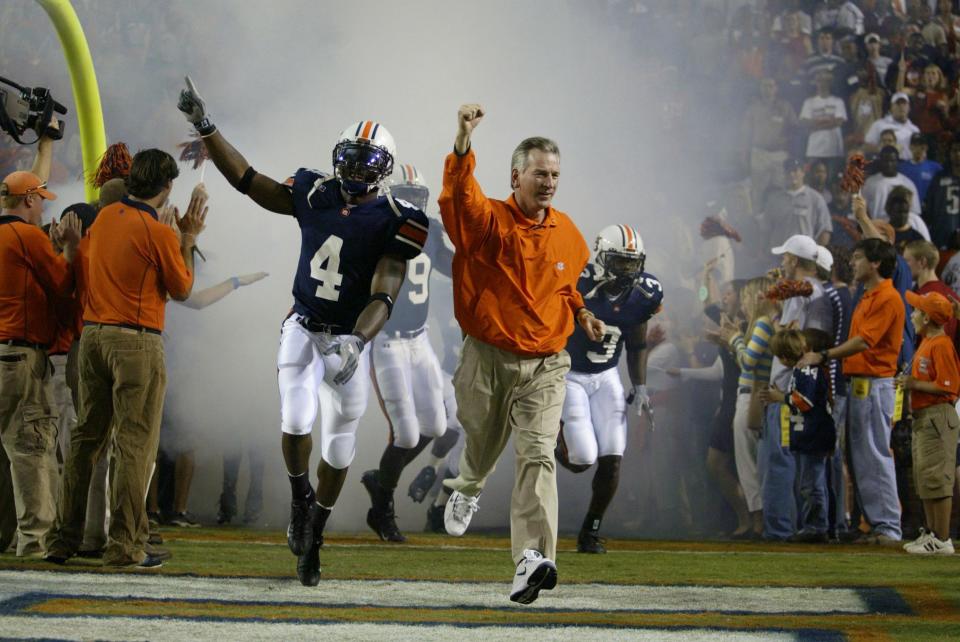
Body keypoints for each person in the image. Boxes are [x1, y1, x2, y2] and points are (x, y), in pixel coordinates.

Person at [176, 79, 428, 586]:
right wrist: (207, 126)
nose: (356, 169)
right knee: (295, 414)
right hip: (304, 324)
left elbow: (385, 291)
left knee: (338, 447)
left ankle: (316, 530)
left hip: (350, 338)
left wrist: (358, 340)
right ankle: (298, 499)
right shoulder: (314, 191)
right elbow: (249, 180)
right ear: (337, 156)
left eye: (368, 161)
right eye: (351, 157)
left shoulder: (395, 218)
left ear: (384, 170)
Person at [438, 104, 603, 604]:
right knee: (482, 444)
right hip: (487, 356)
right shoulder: (487, 221)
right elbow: (459, 199)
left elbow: (565, 285)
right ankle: (467, 485)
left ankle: (531, 558)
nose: (549, 181)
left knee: (537, 454)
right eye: (540, 172)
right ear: (516, 175)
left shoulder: (568, 232)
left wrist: (584, 313)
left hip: (546, 365)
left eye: (554, 174)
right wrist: (463, 142)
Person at [45, 149, 206, 568]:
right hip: (136, 341)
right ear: (167, 187)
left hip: (92, 338)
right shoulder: (155, 231)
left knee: (84, 442)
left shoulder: (101, 222)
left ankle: (63, 539)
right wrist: (186, 240)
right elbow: (183, 288)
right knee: (135, 445)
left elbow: (69, 282)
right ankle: (126, 544)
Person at [555, 225, 663, 553]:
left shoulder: (645, 292)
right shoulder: (580, 281)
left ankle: (590, 531)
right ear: (602, 256)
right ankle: (546, 440)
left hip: (607, 376)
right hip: (571, 374)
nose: (627, 271)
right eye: (620, 262)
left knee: (613, 457)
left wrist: (641, 387)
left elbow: (637, 342)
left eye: (633, 263)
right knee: (582, 458)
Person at [361, 163, 453, 543]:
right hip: (386, 341)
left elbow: (455, 267)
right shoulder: (375, 228)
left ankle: (380, 481)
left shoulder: (429, 230)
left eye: (419, 197)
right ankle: (382, 509)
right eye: (406, 196)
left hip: (420, 340)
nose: (413, 203)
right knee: (405, 433)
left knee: (437, 427)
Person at [800, 237, 905, 543]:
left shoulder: (888, 297)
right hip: (860, 384)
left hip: (875, 385)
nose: (853, 263)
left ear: (875, 263)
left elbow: (864, 342)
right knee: (861, 457)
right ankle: (877, 523)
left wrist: (825, 355)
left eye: (859, 258)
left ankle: (888, 526)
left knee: (874, 455)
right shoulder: (868, 295)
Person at [0, 166, 79, 557]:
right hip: (20, 356)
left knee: (7, 453)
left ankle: (8, 536)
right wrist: (67, 247)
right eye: (39, 202)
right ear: (29, 199)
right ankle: (34, 541)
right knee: (31, 449)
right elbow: (64, 285)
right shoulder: (26, 236)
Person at [763, 234, 834, 540]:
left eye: (785, 256)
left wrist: (784, 337)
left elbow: (819, 338)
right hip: (784, 385)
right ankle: (790, 527)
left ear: (795, 259)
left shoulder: (813, 292)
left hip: (791, 388)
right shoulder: (796, 292)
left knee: (786, 465)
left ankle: (782, 531)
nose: (782, 261)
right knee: (789, 466)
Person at [899, 290, 960, 555]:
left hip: (938, 415)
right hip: (925, 416)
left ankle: (943, 538)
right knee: (925, 477)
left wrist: (914, 384)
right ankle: (933, 532)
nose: (911, 314)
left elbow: (950, 387)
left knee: (937, 477)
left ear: (926, 317)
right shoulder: (927, 342)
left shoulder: (941, 345)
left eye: (916, 310)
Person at [765, 329, 837, 543]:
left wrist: (780, 397)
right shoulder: (803, 370)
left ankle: (817, 527)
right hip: (808, 435)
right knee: (811, 482)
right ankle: (820, 525)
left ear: (785, 356)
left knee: (812, 483)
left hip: (814, 435)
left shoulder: (806, 371)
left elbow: (804, 402)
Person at [762, 158, 833, 246]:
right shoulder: (774, 200)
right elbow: (766, 230)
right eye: (788, 171)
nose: (792, 174)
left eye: (795, 171)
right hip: (779, 254)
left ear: (803, 173)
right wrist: (764, 252)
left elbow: (825, 230)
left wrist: (817, 254)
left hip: (805, 255)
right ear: (784, 173)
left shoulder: (816, 199)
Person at [902, 240, 958, 347]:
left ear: (922, 262)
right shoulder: (952, 295)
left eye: (907, 261)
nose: (904, 266)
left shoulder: (922, 298)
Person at [799, 70, 847, 173]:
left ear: (830, 83)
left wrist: (816, 125)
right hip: (814, 149)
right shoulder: (809, 102)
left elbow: (839, 122)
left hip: (834, 150)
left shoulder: (838, 101)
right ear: (815, 82)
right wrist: (829, 121)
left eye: (826, 81)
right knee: (812, 180)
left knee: (832, 181)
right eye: (819, 80)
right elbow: (804, 122)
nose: (822, 83)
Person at [923, 138, 960, 250]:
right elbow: (929, 209)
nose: (958, 154)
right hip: (942, 236)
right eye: (954, 150)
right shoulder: (939, 178)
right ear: (949, 153)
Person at [864, 93, 921, 160]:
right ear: (891, 107)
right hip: (887, 164)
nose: (901, 106)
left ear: (909, 107)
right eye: (897, 104)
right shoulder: (879, 125)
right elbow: (866, 146)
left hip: (908, 166)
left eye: (904, 103)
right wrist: (884, 149)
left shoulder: (915, 129)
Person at [899, 134, 942, 202]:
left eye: (922, 146)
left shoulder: (936, 167)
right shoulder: (901, 168)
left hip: (928, 208)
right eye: (915, 145)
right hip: (908, 207)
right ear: (910, 147)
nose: (918, 148)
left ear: (926, 147)